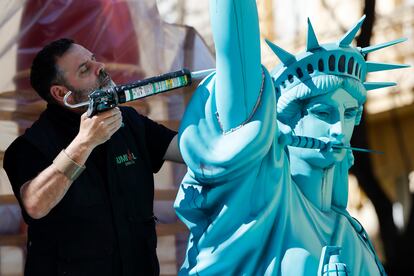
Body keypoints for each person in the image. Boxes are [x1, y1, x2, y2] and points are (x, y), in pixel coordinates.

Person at [174, 0, 407, 275]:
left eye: (349, 114)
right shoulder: (261, 197)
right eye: (323, 113)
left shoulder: (352, 234)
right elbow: (237, 44)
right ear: (285, 118)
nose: (338, 130)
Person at [3, 38, 182, 276]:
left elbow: (185, 149)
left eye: (94, 59)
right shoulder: (29, 146)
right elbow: (35, 205)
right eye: (84, 69)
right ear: (60, 93)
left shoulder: (129, 122)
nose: (100, 68)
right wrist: (84, 143)